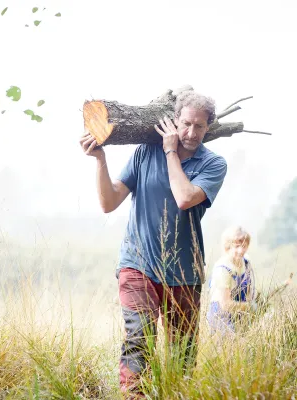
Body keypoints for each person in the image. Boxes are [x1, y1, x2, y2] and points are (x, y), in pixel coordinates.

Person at [80, 89, 227, 398]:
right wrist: (100, 161)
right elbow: (109, 202)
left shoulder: (213, 164)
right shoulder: (147, 152)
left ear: (208, 128)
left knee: (182, 359)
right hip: (138, 264)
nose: (190, 132)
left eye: (199, 126)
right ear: (174, 121)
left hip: (185, 274)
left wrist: (171, 151)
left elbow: (185, 198)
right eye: (185, 123)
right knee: (138, 341)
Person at [206, 226, 256, 335]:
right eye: (237, 246)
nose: (241, 250)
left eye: (244, 246)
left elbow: (248, 291)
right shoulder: (222, 269)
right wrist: (249, 306)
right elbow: (225, 304)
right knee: (232, 344)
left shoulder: (246, 262)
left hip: (240, 314)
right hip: (220, 316)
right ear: (228, 247)